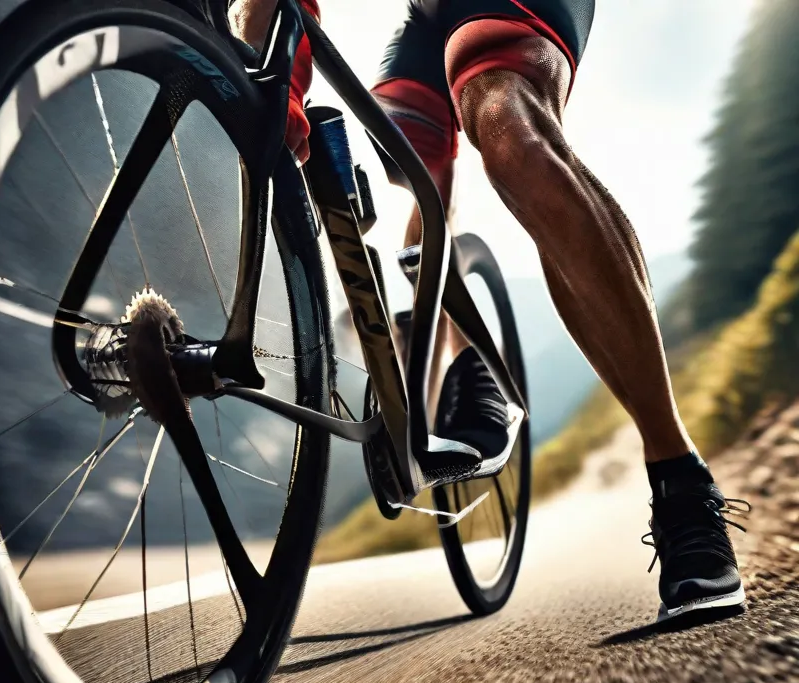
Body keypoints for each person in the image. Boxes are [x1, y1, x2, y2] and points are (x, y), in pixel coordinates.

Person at [230, 0, 748, 621]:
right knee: (411, 151)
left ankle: (680, 475)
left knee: (505, 123)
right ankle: (458, 362)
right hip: (424, 15)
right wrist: (275, 84)